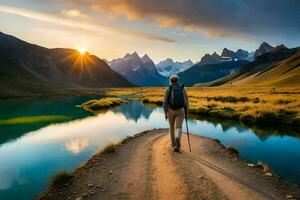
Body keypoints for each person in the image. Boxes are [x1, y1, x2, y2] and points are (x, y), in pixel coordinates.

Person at [163, 75, 189, 152]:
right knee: (179, 127)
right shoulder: (182, 88)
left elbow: (165, 103)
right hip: (180, 110)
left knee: (171, 127)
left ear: (170, 81)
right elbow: (186, 100)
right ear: (178, 80)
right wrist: (187, 111)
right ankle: (177, 138)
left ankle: (173, 143)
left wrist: (165, 113)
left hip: (170, 110)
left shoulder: (168, 89)